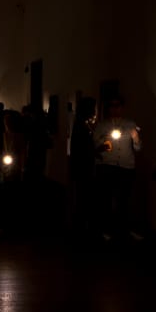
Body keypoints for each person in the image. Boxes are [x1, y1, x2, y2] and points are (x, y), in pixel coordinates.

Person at [92, 95, 142, 244]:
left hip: (126, 167)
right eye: (112, 106)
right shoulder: (102, 125)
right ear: (108, 108)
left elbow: (138, 148)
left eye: (118, 105)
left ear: (122, 107)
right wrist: (104, 142)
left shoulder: (130, 124)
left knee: (124, 200)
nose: (115, 109)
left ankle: (124, 231)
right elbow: (94, 145)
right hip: (107, 166)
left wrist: (136, 138)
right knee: (105, 199)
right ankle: (106, 230)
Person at [69, 96, 97, 236]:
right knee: (82, 198)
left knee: (81, 198)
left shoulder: (81, 124)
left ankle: (79, 229)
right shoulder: (81, 126)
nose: (95, 110)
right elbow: (84, 149)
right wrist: (99, 149)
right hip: (82, 168)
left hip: (79, 167)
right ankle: (80, 231)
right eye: (93, 107)